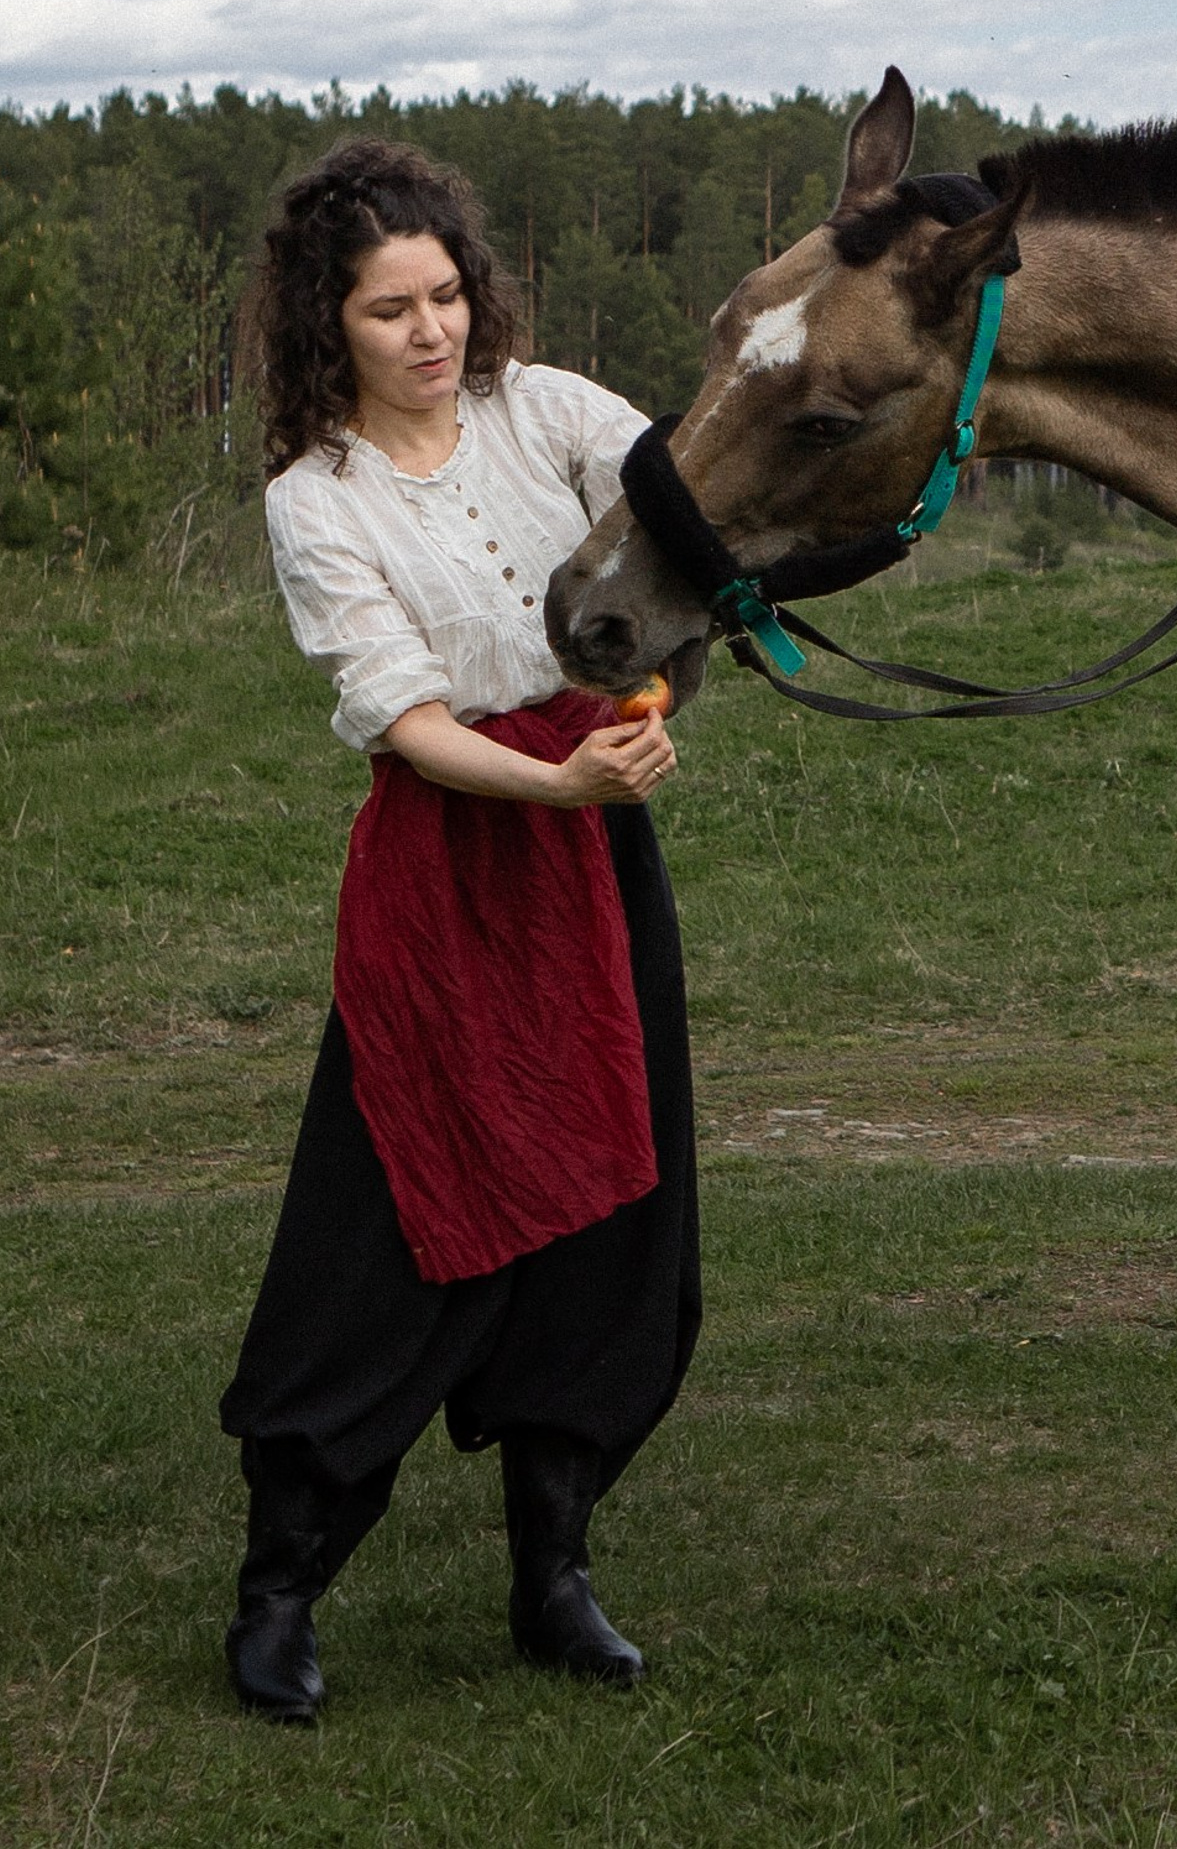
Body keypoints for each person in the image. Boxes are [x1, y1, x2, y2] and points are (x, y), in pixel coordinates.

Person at [219, 135, 699, 1724]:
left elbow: (699, 508)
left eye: (444, 295)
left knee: (610, 1220)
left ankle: (554, 1576)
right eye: (388, 311)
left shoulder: (548, 410)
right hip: (447, 872)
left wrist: (661, 685)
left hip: (595, 859)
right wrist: (560, 790)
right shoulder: (317, 500)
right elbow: (404, 720)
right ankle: (281, 1585)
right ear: (327, 328)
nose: (431, 332)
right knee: (380, 1231)